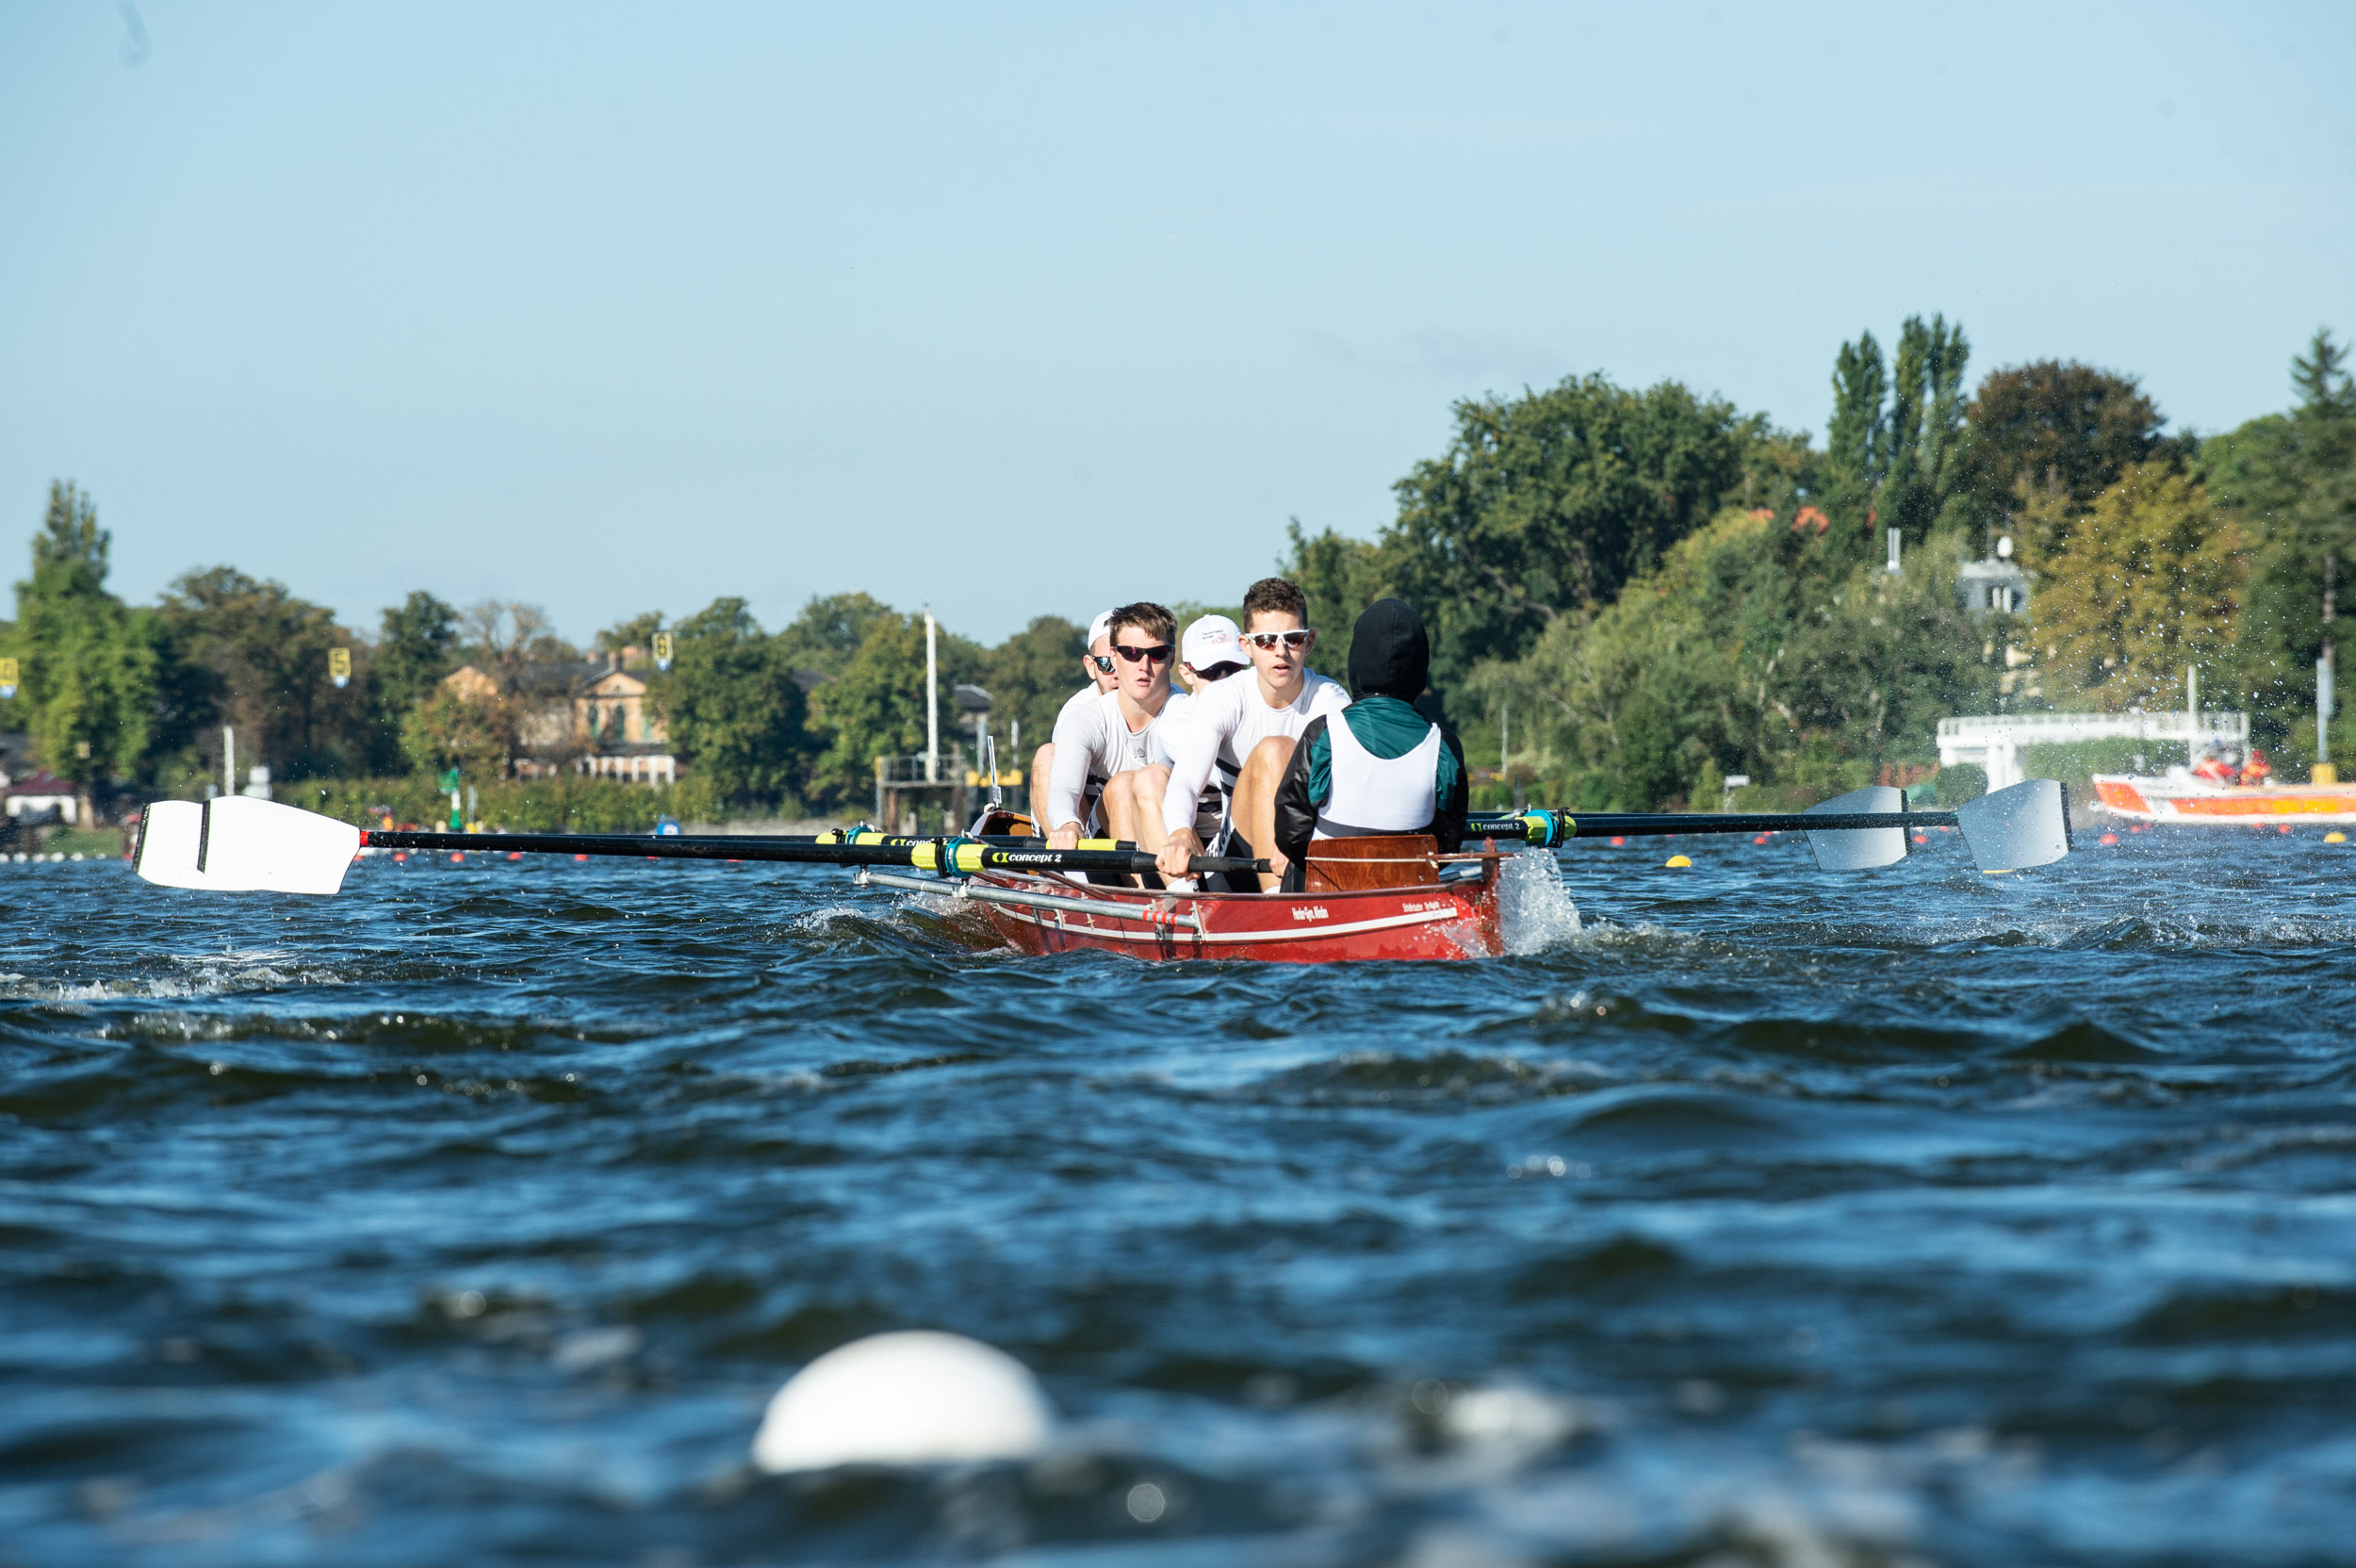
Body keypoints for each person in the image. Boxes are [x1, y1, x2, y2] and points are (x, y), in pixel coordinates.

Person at [1134, 577, 1350, 890]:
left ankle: (1286, 899)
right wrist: (1180, 834)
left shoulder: (1330, 699)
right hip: (1234, 858)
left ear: (1310, 642)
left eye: (1293, 639)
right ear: (1246, 647)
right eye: (1265, 641)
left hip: (1304, 844)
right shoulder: (1223, 697)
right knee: (1274, 750)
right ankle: (1279, 902)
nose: (1281, 652)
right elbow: (1185, 783)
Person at [1270, 598, 1467, 889]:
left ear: (1357, 661)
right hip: (1408, 896)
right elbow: (1448, 843)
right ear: (1419, 667)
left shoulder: (1324, 733)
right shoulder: (1444, 745)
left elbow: (1290, 833)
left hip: (1326, 893)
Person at [1043, 603, 1187, 851]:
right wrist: (1067, 823)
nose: (1144, 666)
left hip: (1179, 837)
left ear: (1172, 657)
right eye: (1131, 653)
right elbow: (1064, 790)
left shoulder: (1186, 714)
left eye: (1157, 653)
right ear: (1115, 657)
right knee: (1123, 786)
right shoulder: (1085, 718)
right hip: (1105, 845)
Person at [1028, 609, 1117, 831]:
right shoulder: (1076, 712)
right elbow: (1064, 789)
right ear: (1090, 666)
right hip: (1081, 824)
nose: (1116, 673)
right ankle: (1067, 859)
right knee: (1047, 756)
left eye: (1126, 659)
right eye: (1106, 663)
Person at [1175, 612, 1248, 694]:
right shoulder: (1179, 706)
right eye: (1211, 671)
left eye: (1233, 668)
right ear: (1186, 674)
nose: (1224, 678)